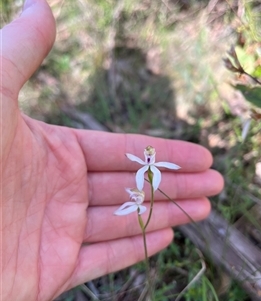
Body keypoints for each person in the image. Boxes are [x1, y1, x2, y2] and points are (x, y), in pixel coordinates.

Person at [1, 0, 224, 300]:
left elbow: (152, 177)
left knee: (157, 220)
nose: (146, 158)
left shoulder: (149, 174)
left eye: (148, 158)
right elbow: (137, 190)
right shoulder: (139, 186)